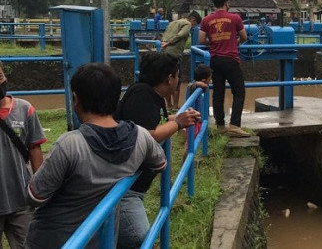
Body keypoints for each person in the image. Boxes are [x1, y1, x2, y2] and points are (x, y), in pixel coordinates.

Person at [25, 63, 167, 249]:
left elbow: (34, 196)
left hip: (53, 240)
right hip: (102, 240)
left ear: (76, 99)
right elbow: (160, 164)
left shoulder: (69, 144)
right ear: (117, 98)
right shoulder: (141, 136)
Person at [114, 51, 200, 248]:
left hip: (134, 187)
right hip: (126, 189)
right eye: (177, 76)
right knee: (141, 238)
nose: (179, 80)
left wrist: (181, 119)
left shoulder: (153, 95)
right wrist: (178, 123)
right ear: (169, 78)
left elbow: (154, 121)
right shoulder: (142, 95)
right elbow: (147, 135)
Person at [0, 62, 46, 249]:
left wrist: (41, 187)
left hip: (21, 201)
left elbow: (35, 149)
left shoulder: (24, 109)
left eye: (0, 74)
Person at [198, 0, 251, 137]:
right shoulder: (235, 18)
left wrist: (214, 41)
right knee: (239, 91)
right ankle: (234, 125)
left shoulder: (206, 20)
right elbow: (244, 36)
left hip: (215, 60)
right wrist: (235, 42)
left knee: (218, 93)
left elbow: (201, 40)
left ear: (213, 3)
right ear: (227, 3)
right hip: (231, 60)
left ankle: (220, 125)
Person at [161, 10, 202, 112]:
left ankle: (168, 106)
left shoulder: (173, 23)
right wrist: (169, 42)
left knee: (166, 79)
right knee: (176, 80)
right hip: (174, 54)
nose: (193, 27)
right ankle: (175, 107)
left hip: (164, 53)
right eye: (195, 24)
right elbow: (181, 35)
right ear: (192, 19)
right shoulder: (187, 24)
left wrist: (165, 43)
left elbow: (165, 35)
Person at [183, 64, 212, 161]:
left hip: (197, 120)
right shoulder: (192, 88)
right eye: (209, 80)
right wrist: (202, 84)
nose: (210, 82)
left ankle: (189, 161)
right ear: (204, 80)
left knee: (193, 142)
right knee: (189, 144)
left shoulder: (199, 90)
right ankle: (185, 163)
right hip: (193, 121)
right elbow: (191, 85)